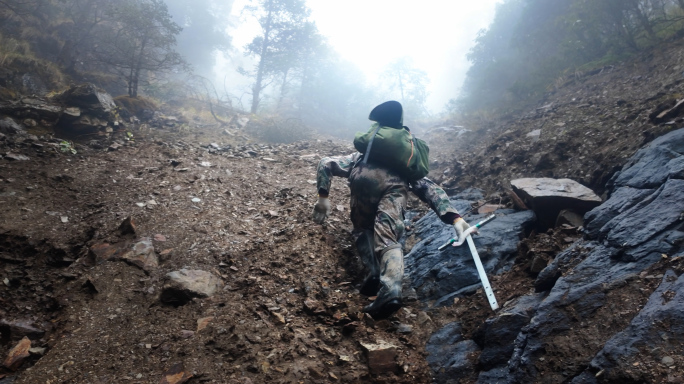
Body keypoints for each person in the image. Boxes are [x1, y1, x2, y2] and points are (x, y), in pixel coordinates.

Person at [311, 100, 477, 319]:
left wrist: (323, 198)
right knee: (388, 238)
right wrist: (456, 219)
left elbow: (325, 163)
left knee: (363, 230)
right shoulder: (404, 166)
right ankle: (390, 291)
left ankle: (372, 272)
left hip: (362, 181)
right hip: (394, 189)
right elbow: (429, 188)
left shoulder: (360, 156)